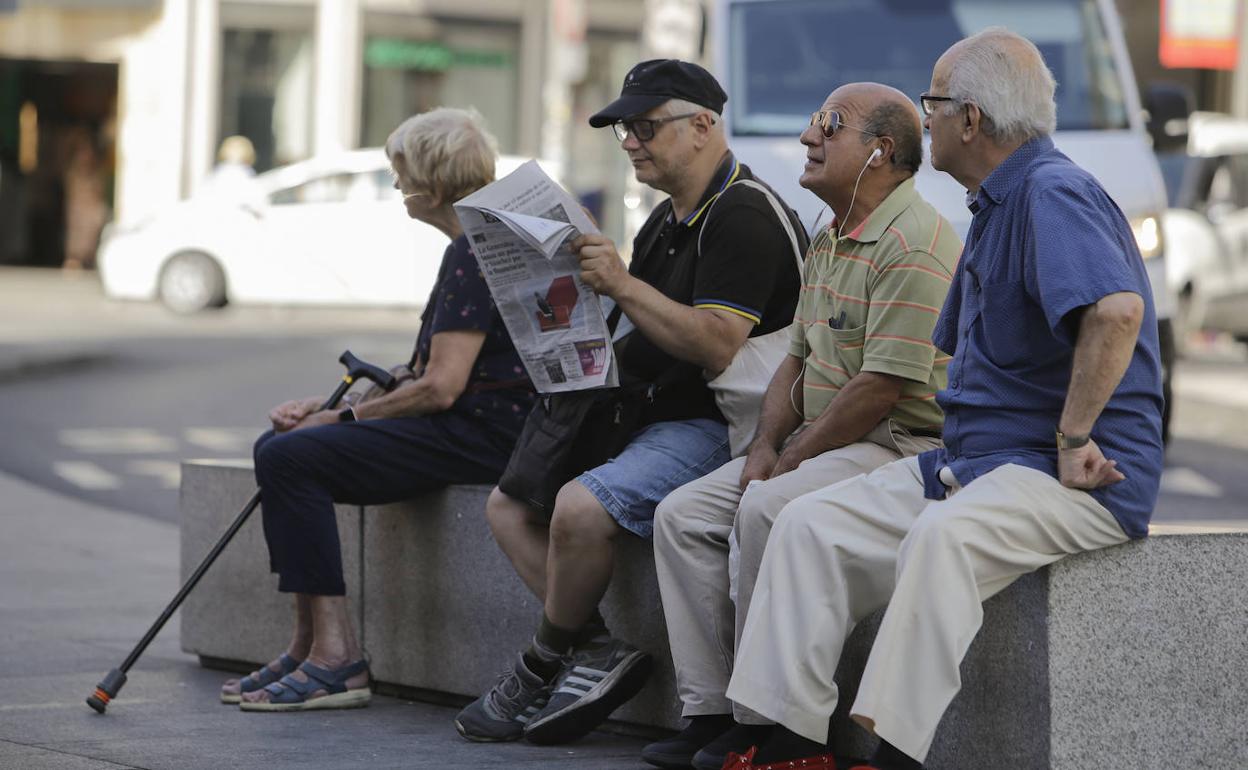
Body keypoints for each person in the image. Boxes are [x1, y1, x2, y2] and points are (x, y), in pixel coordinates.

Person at [720, 28, 1164, 770]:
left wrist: (1073, 436)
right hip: (981, 462)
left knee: (942, 537)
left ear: (971, 119)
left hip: (1072, 475)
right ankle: (792, 742)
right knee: (806, 523)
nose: (923, 120)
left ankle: (893, 755)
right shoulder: (996, 202)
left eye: (932, 103)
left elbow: (1117, 312)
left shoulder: (1052, 192)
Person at [454, 59, 806, 744]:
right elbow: (635, 329)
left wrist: (619, 282)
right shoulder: (665, 220)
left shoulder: (742, 214)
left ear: (702, 126)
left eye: (646, 126)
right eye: (624, 131)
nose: (631, 143)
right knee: (507, 506)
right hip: (645, 407)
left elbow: (716, 345)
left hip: (726, 422)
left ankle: (541, 662)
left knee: (579, 507)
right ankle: (594, 649)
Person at [645, 83, 961, 770]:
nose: (807, 137)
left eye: (829, 124)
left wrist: (788, 460)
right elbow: (795, 361)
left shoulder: (915, 243)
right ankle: (712, 712)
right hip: (826, 441)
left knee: (767, 506)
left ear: (880, 151)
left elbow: (879, 388)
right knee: (681, 516)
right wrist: (765, 445)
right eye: (814, 121)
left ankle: (778, 727)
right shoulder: (831, 233)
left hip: (895, 445)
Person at [221, 108, 535, 712]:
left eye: (402, 172)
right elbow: (428, 371)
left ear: (432, 188)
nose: (395, 183)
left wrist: (341, 420)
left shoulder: (473, 251)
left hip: (482, 435)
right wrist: (335, 404)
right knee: (278, 447)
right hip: (481, 425)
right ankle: (308, 644)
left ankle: (337, 659)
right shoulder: (483, 240)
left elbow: (442, 388)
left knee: (289, 458)